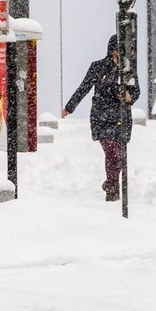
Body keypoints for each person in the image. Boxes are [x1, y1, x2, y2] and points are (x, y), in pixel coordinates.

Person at [62, 35, 139, 201]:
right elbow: (84, 87)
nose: (122, 53)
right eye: (119, 50)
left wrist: (129, 97)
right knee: (113, 153)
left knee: (118, 155)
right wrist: (70, 107)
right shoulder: (98, 67)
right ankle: (112, 188)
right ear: (112, 50)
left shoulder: (128, 69)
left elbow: (136, 91)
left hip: (121, 118)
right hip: (102, 117)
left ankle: (111, 184)